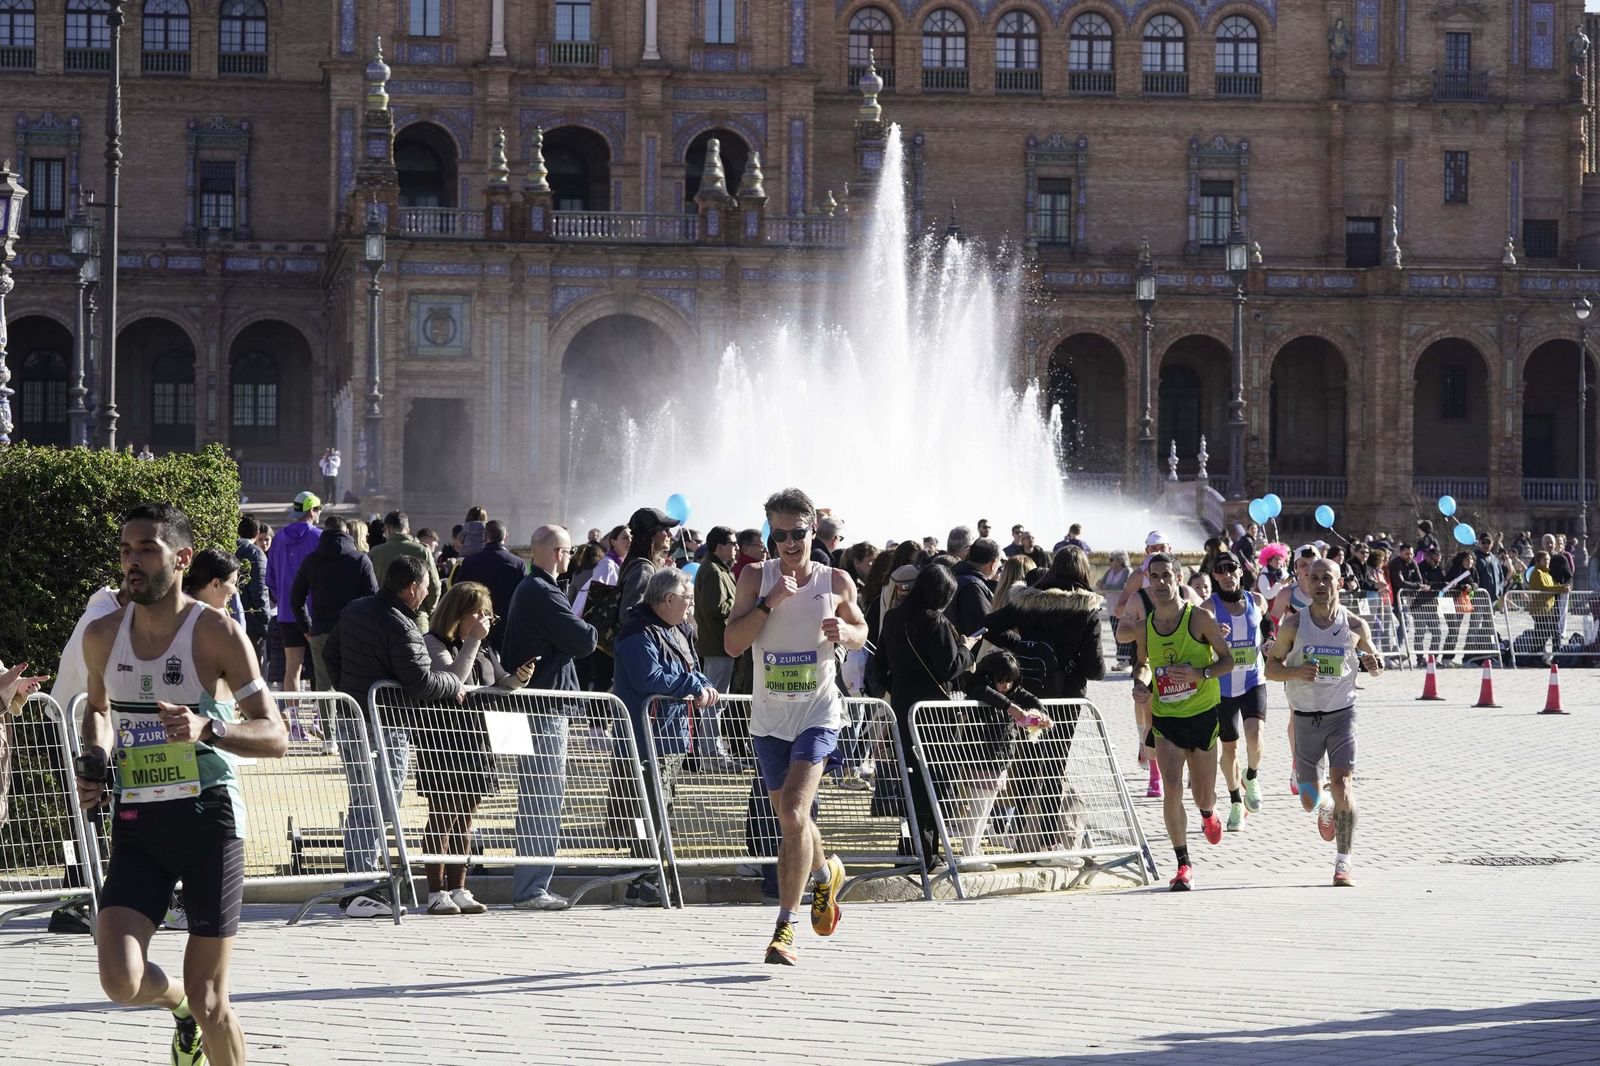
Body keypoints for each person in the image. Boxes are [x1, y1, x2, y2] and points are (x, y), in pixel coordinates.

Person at [76, 502, 288, 1066]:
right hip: (139, 821)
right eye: (126, 550)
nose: (132, 561)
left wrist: (208, 727)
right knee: (120, 980)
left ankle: (198, 1012)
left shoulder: (216, 633)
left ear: (182, 558)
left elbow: (276, 734)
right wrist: (95, 755)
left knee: (212, 997)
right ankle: (179, 1008)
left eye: (147, 549)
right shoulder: (102, 635)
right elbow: (97, 709)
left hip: (208, 821)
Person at [724, 488, 868, 966]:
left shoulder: (835, 580)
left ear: (812, 531)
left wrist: (846, 633)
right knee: (795, 821)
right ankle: (826, 875)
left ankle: (783, 929)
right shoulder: (754, 577)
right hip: (769, 719)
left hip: (817, 713)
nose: (788, 543)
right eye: (779, 534)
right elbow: (731, 644)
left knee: (791, 812)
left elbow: (862, 630)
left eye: (797, 533)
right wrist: (769, 603)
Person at [325, 554, 463, 918]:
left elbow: (330, 653)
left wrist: (351, 691)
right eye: (427, 588)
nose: (428, 594)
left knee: (366, 803)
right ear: (413, 588)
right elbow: (421, 682)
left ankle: (361, 885)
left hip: (354, 717)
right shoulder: (402, 625)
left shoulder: (355, 609)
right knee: (378, 804)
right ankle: (360, 889)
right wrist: (454, 683)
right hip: (384, 723)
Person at [419, 582, 537, 915]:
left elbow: (498, 681)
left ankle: (459, 887)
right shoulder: (434, 642)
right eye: (479, 613)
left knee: (466, 818)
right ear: (458, 613)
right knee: (443, 816)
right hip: (445, 743)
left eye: (489, 614)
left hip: (478, 741)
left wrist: (519, 678)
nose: (486, 620)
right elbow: (453, 678)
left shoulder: (484, 648)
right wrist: (473, 640)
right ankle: (435, 891)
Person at [1264, 558, 1382, 888]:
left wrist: (1374, 664)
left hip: (1342, 713)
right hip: (1306, 716)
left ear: (1338, 582)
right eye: (1313, 578)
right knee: (1309, 800)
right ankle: (1325, 805)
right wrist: (1296, 672)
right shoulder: (1293, 625)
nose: (1319, 584)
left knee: (1343, 783)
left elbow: (1376, 661)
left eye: (1326, 578)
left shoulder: (1355, 625)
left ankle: (1343, 862)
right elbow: (1270, 669)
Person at [979, 546, 1106, 854]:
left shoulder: (1028, 601)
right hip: (1066, 699)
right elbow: (1095, 668)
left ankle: (1019, 832)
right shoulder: (1086, 608)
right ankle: (1048, 839)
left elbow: (989, 627)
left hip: (1029, 692)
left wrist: (1022, 647)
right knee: (1053, 765)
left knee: (1027, 762)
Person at [499, 525, 599, 911]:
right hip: (544, 709)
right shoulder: (542, 591)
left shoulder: (533, 588)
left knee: (538, 796)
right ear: (558, 553)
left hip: (537, 705)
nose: (571, 557)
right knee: (543, 798)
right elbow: (584, 640)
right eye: (569, 551)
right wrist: (589, 623)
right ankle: (531, 888)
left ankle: (531, 885)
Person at [612, 567, 717, 904]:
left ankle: (652, 874)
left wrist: (704, 685)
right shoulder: (637, 631)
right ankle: (641, 878)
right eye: (687, 599)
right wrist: (693, 685)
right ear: (668, 599)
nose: (691, 605)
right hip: (646, 737)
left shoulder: (679, 629)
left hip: (673, 735)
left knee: (663, 808)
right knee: (648, 810)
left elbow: (693, 669)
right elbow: (649, 678)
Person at [1129, 553, 1232, 891]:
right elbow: (1143, 664)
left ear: (1178, 578)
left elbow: (1227, 661)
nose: (1160, 582)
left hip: (1202, 717)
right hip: (1166, 719)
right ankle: (1183, 864)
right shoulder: (1145, 626)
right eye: (1154, 576)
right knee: (1171, 788)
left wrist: (1200, 673)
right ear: (1148, 581)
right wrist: (1141, 684)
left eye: (1166, 576)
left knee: (1202, 795)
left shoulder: (1200, 619)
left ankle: (1208, 813)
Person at [874, 564, 973, 871]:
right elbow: (948, 668)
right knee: (936, 782)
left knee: (911, 780)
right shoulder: (936, 622)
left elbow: (879, 667)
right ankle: (927, 853)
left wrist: (899, 689)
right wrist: (965, 648)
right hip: (934, 713)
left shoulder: (893, 618)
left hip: (904, 706)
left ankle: (910, 849)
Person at [1203, 551, 1269, 832]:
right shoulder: (1207, 607)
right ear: (1215, 576)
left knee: (1255, 736)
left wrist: (1271, 641)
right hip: (1223, 687)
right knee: (1229, 747)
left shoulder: (1257, 601)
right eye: (1221, 570)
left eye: (1232, 569)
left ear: (1241, 571)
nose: (1228, 575)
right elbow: (1196, 640)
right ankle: (1235, 802)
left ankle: (1251, 775)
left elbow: (1268, 625)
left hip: (1253, 680)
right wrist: (1211, 635)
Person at [291, 513, 378, 701]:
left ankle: (328, 722)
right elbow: (373, 598)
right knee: (353, 683)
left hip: (321, 630)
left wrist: (306, 627)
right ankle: (352, 720)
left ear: (325, 532)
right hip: (353, 632)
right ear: (347, 532)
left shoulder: (311, 560)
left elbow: (296, 598)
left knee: (324, 686)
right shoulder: (360, 560)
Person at [693, 526, 740, 770]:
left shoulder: (719, 569)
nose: (736, 548)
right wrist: (742, 603)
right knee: (714, 701)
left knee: (716, 701)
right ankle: (711, 754)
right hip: (717, 644)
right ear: (719, 546)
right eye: (732, 543)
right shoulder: (712, 570)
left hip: (721, 644)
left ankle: (712, 751)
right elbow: (715, 607)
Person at [265, 491, 322, 692]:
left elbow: (270, 578)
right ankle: (319, 711)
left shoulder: (278, 538)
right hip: (313, 613)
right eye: (318, 509)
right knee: (319, 669)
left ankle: (293, 711)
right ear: (312, 510)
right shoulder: (318, 537)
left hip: (286, 613)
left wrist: (282, 598)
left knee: (292, 669)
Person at [451, 519, 527, 653]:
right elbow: (524, 595)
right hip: (506, 623)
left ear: (485, 537)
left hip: (476, 621)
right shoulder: (518, 563)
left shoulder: (470, 562)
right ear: (506, 537)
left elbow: (458, 591)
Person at [368, 511, 443, 630]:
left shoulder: (374, 553)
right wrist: (425, 611)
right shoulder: (422, 551)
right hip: (416, 618)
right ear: (407, 529)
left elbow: (369, 587)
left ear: (387, 529)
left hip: (382, 617)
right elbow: (435, 586)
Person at [619, 507, 678, 616]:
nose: (670, 535)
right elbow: (629, 615)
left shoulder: (639, 564)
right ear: (650, 534)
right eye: (666, 529)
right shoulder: (644, 569)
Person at [234, 515, 270, 663]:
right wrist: (265, 619)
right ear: (257, 533)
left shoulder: (228, 548)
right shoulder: (256, 554)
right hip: (252, 622)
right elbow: (260, 591)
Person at [947, 537, 1000, 636]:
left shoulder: (954, 576)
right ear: (993, 563)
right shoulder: (972, 587)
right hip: (967, 645)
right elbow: (984, 630)